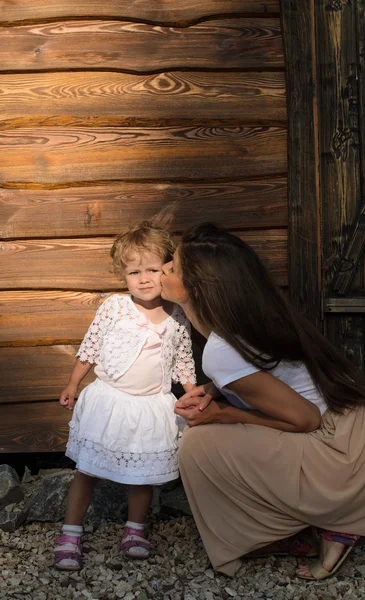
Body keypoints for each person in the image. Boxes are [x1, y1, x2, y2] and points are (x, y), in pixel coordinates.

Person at [160, 222, 365, 581]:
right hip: (349, 426)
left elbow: (305, 420)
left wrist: (224, 414)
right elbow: (277, 378)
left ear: (193, 289)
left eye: (171, 267)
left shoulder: (220, 351)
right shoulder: (249, 316)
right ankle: (310, 523)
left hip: (340, 453)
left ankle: (333, 518)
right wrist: (217, 390)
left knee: (198, 445)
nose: (162, 269)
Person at [53, 222, 196, 571]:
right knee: (86, 471)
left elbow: (183, 361)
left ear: (168, 270)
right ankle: (70, 533)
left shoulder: (177, 315)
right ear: (123, 275)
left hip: (150, 408)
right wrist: (73, 384)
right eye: (134, 272)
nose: (144, 279)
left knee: (142, 476)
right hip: (110, 402)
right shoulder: (114, 307)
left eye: (152, 270)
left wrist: (193, 395)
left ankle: (135, 531)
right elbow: (91, 347)